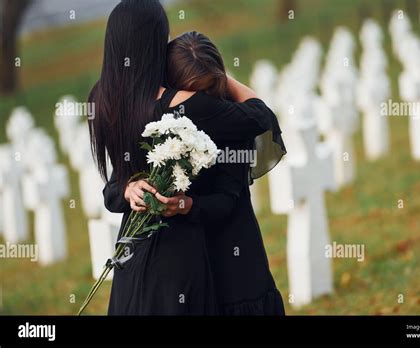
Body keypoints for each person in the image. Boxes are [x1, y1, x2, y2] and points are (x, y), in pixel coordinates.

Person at [89, 0, 285, 315]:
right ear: (157, 44)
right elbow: (260, 116)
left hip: (136, 263)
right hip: (199, 256)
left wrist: (128, 189)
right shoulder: (186, 104)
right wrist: (221, 76)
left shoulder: (103, 100)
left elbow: (114, 187)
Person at [162, 31, 286, 315]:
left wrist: (190, 205)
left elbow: (228, 198)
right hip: (188, 262)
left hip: (235, 258)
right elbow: (260, 111)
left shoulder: (230, 122)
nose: (204, 103)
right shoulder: (165, 126)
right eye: (195, 93)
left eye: (209, 91)